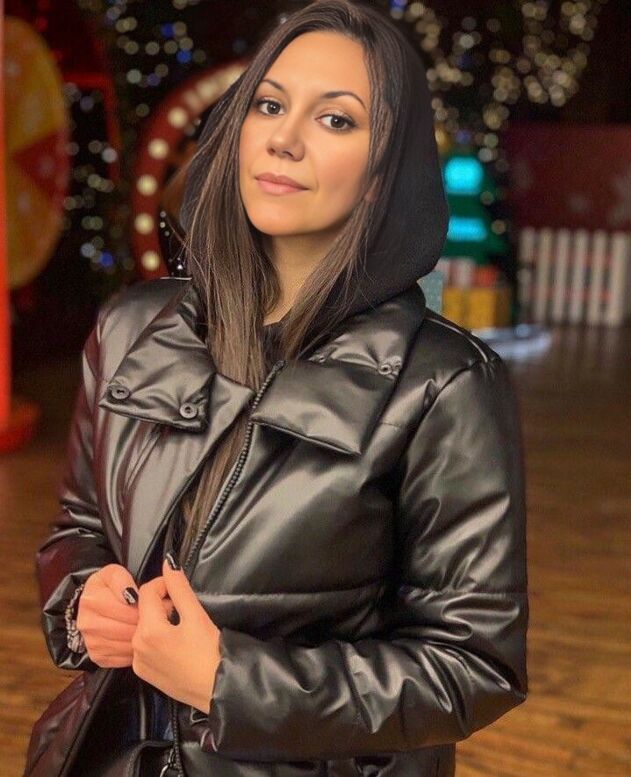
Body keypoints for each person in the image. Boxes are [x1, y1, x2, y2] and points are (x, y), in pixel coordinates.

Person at [25, 1, 529, 775]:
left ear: (383, 172)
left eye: (336, 120)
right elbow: (80, 524)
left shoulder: (444, 383)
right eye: (268, 104)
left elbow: (472, 663)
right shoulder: (128, 328)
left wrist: (230, 682)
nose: (284, 138)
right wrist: (82, 598)